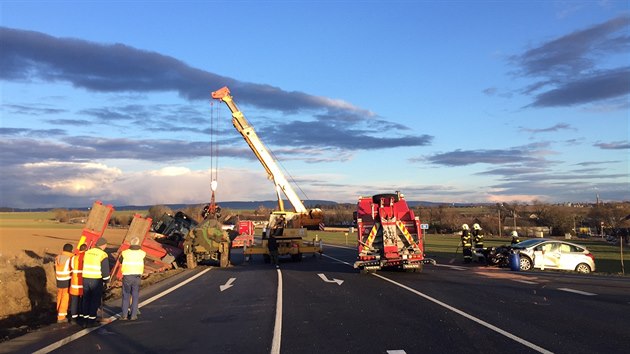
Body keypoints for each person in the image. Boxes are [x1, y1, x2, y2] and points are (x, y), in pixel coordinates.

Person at [81, 238, 110, 328]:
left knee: (86, 299)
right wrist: (107, 281)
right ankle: (91, 321)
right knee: (94, 300)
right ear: (103, 245)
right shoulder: (103, 254)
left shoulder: (88, 252)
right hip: (96, 280)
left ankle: (84, 320)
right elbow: (105, 270)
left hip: (85, 278)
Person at [120, 237, 146, 321]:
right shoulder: (142, 253)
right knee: (135, 295)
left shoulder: (124, 253)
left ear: (130, 243)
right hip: (137, 276)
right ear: (138, 243)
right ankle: (133, 315)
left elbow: (121, 261)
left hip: (127, 276)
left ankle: (124, 315)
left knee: (126, 295)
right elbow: (143, 262)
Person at [55, 243, 74, 323]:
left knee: (59, 297)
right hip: (67, 279)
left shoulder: (57, 257)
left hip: (59, 279)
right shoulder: (71, 257)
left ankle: (58, 312)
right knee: (65, 298)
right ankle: (61, 316)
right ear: (71, 250)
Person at [69, 243, 87, 324]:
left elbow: (72, 267)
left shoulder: (73, 258)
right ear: (86, 249)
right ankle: (82, 316)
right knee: (83, 301)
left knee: (74, 301)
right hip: (83, 282)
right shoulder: (86, 257)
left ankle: (74, 318)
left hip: (74, 282)